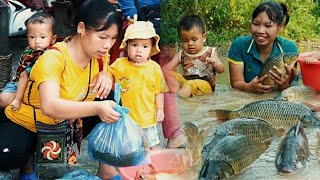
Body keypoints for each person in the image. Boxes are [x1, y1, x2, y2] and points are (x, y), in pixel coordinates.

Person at [0, 0, 124, 179]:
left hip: (62, 125)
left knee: (113, 99)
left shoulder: (98, 56)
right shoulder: (53, 59)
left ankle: (107, 170)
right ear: (81, 28)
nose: (107, 45)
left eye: (113, 38)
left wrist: (106, 74)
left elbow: (107, 76)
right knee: (9, 155)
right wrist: (97, 107)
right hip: (26, 122)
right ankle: (28, 159)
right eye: (103, 37)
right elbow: (49, 106)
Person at [109, 20, 168, 149]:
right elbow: (107, 74)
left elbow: (159, 91)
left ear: (151, 48)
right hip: (126, 119)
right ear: (127, 45)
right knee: (128, 148)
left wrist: (160, 109)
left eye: (145, 46)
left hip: (147, 118)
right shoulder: (119, 64)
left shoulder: (154, 68)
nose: (139, 50)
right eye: (134, 45)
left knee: (151, 147)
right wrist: (103, 76)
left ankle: (152, 166)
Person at [228, 1, 298, 93]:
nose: (260, 30)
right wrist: (249, 87)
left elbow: (290, 88)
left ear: (280, 27)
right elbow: (235, 83)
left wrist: (283, 85)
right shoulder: (239, 45)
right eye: (256, 24)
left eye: (268, 25)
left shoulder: (289, 49)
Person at [0, 12, 57, 110]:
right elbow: (21, 76)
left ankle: (19, 100)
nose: (37, 41)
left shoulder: (50, 55)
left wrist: (18, 99)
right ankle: (18, 99)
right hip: (18, 84)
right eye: (32, 37)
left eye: (42, 37)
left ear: (53, 39)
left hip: (36, 88)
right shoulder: (29, 52)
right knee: (3, 100)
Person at [162, 14, 224, 98]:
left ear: (204, 37)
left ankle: (177, 100)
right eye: (185, 41)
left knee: (190, 85)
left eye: (194, 40)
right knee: (170, 75)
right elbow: (166, 69)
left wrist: (216, 63)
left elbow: (221, 69)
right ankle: (175, 94)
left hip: (205, 85)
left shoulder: (210, 52)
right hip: (186, 82)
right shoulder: (181, 54)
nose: (190, 43)